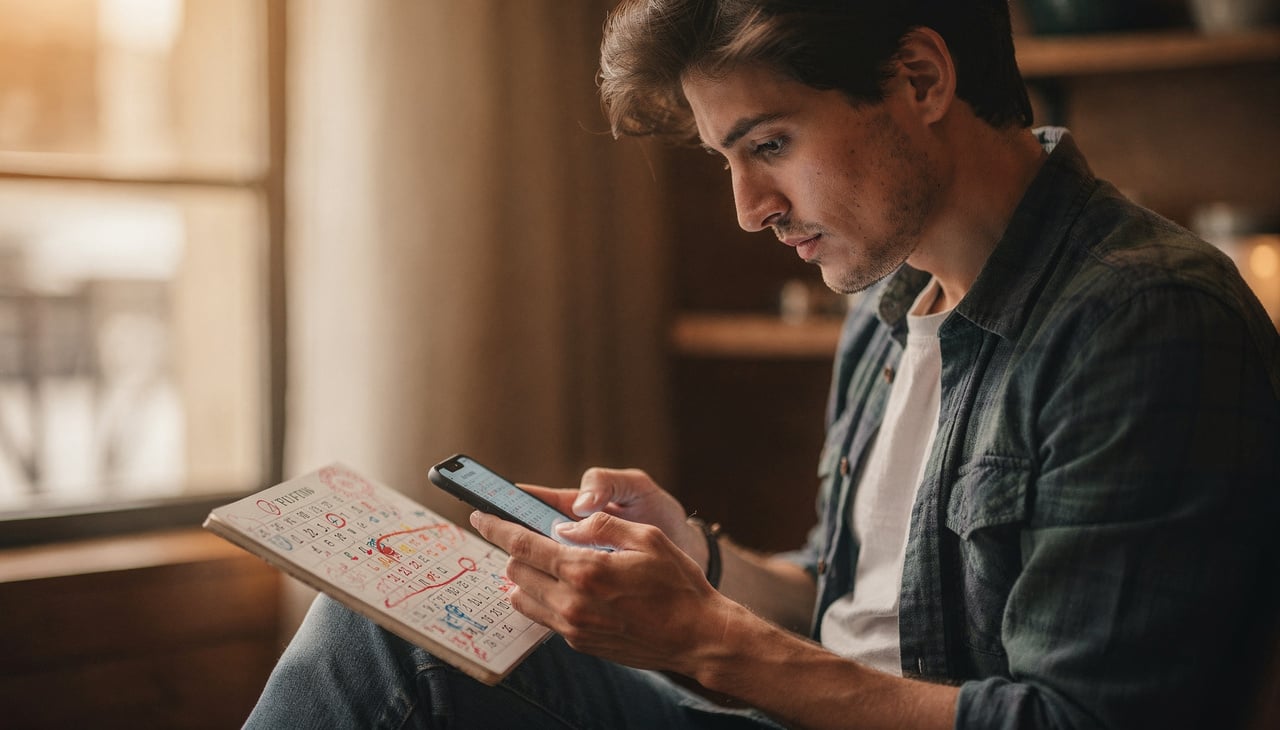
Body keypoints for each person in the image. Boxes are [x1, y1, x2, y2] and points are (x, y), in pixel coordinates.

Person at [246, 1, 1280, 727]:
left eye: (770, 145)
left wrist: (705, 640)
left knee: (387, 653)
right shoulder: (888, 298)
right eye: (727, 161)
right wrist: (697, 558)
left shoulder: (1142, 321)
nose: (749, 211)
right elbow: (852, 604)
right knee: (393, 612)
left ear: (919, 79)